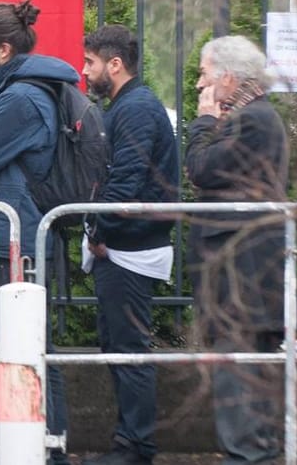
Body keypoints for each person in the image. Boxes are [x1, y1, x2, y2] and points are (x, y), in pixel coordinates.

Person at [0, 0, 75, 465]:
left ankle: (47, 449)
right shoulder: (23, 90)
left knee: (29, 350)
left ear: (3, 50)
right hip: (19, 236)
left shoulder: (21, 98)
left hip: (16, 242)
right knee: (29, 347)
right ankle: (45, 447)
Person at [184, 35, 289, 465]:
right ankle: (253, 453)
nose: (198, 85)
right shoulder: (256, 118)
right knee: (245, 372)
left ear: (228, 78)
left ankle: (248, 456)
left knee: (239, 374)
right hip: (242, 271)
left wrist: (203, 123)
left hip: (241, 275)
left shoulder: (254, 120)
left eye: (204, 74)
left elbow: (202, 170)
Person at [80, 25, 178, 465]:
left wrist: (98, 234)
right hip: (123, 247)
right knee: (118, 348)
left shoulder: (136, 108)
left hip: (129, 251)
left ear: (114, 65)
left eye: (90, 63)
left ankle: (137, 448)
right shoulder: (128, 106)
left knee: (129, 351)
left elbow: (125, 185)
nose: (85, 72)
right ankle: (129, 442)